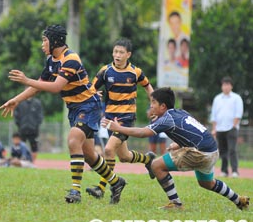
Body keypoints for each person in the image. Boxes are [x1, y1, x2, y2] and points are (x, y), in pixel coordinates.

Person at [0, 24, 127, 204]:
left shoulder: (71, 59)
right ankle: (117, 182)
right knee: (90, 155)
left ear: (55, 41)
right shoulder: (51, 60)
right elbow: (39, 86)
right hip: (75, 108)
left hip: (89, 106)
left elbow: (55, 87)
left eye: (44, 40)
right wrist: (16, 99)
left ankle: (75, 191)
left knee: (73, 139)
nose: (42, 45)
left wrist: (27, 80)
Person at [102, 87, 250, 210]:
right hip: (211, 150)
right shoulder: (180, 112)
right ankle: (239, 200)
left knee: (156, 165)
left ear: (163, 106)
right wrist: (178, 144)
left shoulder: (166, 119)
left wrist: (118, 128)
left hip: (199, 153)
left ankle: (176, 204)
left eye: (153, 102)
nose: (151, 105)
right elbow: (196, 130)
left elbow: (142, 132)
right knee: (206, 183)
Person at [86, 38, 155, 200]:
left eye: (121, 52)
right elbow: (90, 88)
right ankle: (147, 159)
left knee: (109, 150)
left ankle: (102, 188)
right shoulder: (105, 71)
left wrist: (154, 106)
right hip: (110, 119)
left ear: (128, 55)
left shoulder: (135, 72)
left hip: (126, 118)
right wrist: (93, 93)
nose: (117, 55)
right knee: (124, 156)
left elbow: (148, 87)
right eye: (115, 51)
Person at [210, 76, 244, 178]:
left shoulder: (236, 98)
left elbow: (238, 113)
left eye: (228, 85)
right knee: (223, 150)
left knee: (232, 150)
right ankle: (224, 171)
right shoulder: (217, 98)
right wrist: (214, 128)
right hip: (220, 128)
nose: (225, 87)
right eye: (224, 85)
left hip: (231, 128)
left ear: (231, 86)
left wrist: (234, 126)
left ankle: (235, 171)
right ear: (222, 86)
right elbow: (214, 115)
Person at [14, 97, 43, 162]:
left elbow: (40, 115)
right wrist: (19, 124)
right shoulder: (20, 102)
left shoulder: (37, 103)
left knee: (34, 147)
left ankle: (32, 162)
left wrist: (36, 125)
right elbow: (16, 115)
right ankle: (21, 161)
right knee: (21, 145)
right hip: (22, 129)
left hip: (33, 130)